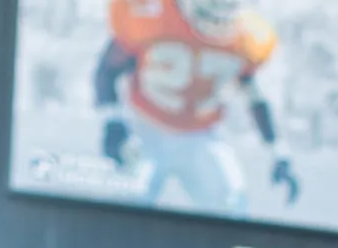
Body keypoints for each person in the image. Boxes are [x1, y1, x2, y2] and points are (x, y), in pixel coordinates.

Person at [95, 0, 298, 219]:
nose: (216, 21)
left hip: (200, 136)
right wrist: (113, 121)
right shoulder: (152, 14)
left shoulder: (248, 36)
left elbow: (255, 97)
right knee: (125, 209)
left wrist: (278, 150)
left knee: (233, 209)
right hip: (145, 127)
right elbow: (107, 70)